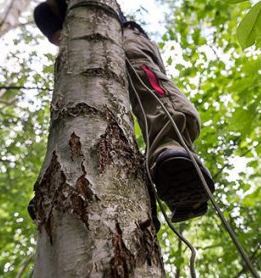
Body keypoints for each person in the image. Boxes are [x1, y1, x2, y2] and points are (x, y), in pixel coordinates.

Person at [31, 0, 215, 225]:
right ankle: (129, 190)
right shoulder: (44, 13)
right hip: (84, 56)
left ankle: (173, 151)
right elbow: (61, 37)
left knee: (145, 83)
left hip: (124, 36)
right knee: (82, 110)